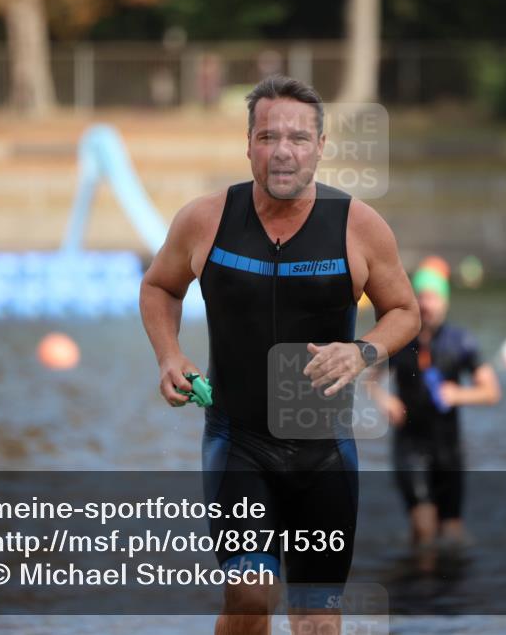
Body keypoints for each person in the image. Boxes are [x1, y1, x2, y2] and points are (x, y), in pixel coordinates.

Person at [140, 75, 420, 635]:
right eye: (268, 137)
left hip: (325, 453)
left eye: (298, 138)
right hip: (238, 442)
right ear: (248, 145)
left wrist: (361, 351)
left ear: (320, 147)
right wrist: (170, 355)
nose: (283, 151)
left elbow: (405, 312)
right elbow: (159, 288)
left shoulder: (358, 226)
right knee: (251, 592)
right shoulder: (206, 219)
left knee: (316, 619)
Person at [371, 261, 501, 548]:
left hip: (449, 448)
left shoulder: (461, 342)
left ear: (444, 302)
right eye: (422, 297)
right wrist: (386, 400)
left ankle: (444, 583)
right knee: (425, 527)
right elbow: (369, 380)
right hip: (410, 445)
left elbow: (491, 391)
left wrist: (459, 394)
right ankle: (420, 585)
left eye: (433, 297)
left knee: (452, 532)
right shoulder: (400, 341)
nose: (427, 304)